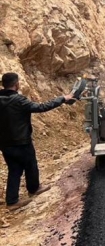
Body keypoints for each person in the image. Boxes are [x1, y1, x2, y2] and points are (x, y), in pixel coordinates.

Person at [1, 73, 75, 211]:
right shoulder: (19, 100)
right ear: (16, 84)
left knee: (14, 170)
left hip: (5, 144)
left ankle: (12, 201)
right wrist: (62, 99)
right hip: (21, 141)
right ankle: (34, 189)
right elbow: (41, 107)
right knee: (31, 164)